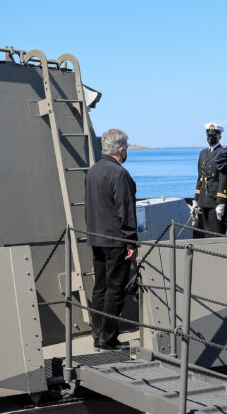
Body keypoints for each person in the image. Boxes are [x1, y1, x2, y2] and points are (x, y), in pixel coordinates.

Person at [85, 128, 136, 351]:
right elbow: (125, 210)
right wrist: (131, 242)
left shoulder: (92, 171)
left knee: (100, 288)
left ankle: (97, 336)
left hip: (97, 238)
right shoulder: (119, 173)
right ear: (121, 149)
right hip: (116, 241)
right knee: (115, 290)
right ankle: (108, 339)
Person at [193, 122, 227, 236]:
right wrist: (196, 199)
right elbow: (200, 177)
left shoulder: (222, 152)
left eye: (214, 135)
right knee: (202, 233)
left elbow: (224, 179)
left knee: (215, 233)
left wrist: (221, 202)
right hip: (203, 198)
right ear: (206, 136)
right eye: (209, 135)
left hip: (214, 199)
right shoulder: (202, 153)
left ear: (219, 137)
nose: (211, 137)